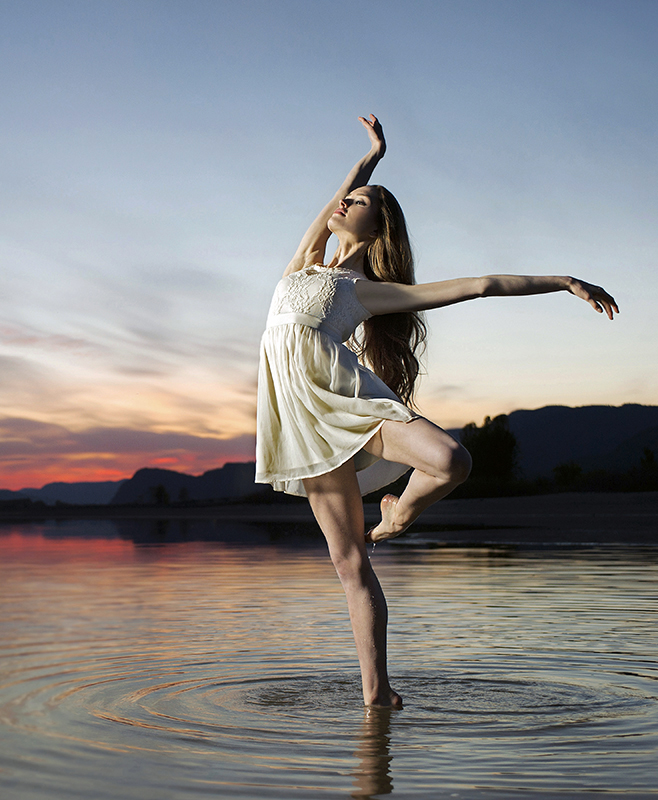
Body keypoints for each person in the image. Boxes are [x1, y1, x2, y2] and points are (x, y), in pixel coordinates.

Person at [255, 114, 618, 710]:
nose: (346, 201)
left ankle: (397, 518)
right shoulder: (301, 265)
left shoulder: (367, 290)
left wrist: (563, 280)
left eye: (362, 200)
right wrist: (373, 156)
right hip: (303, 424)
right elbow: (332, 199)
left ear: (380, 225)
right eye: (348, 196)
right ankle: (378, 696)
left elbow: (478, 284)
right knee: (350, 565)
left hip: (351, 403)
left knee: (451, 458)